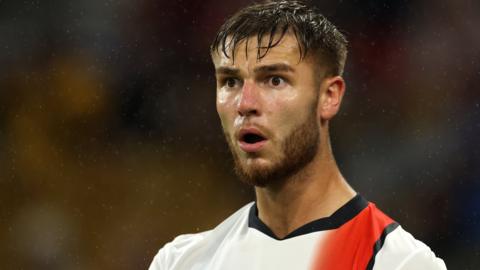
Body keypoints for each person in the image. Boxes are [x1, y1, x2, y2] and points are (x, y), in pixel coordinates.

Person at [149, 1, 447, 269]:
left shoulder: (398, 263)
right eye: (230, 81)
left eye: (275, 80)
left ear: (329, 96)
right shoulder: (181, 262)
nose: (245, 103)